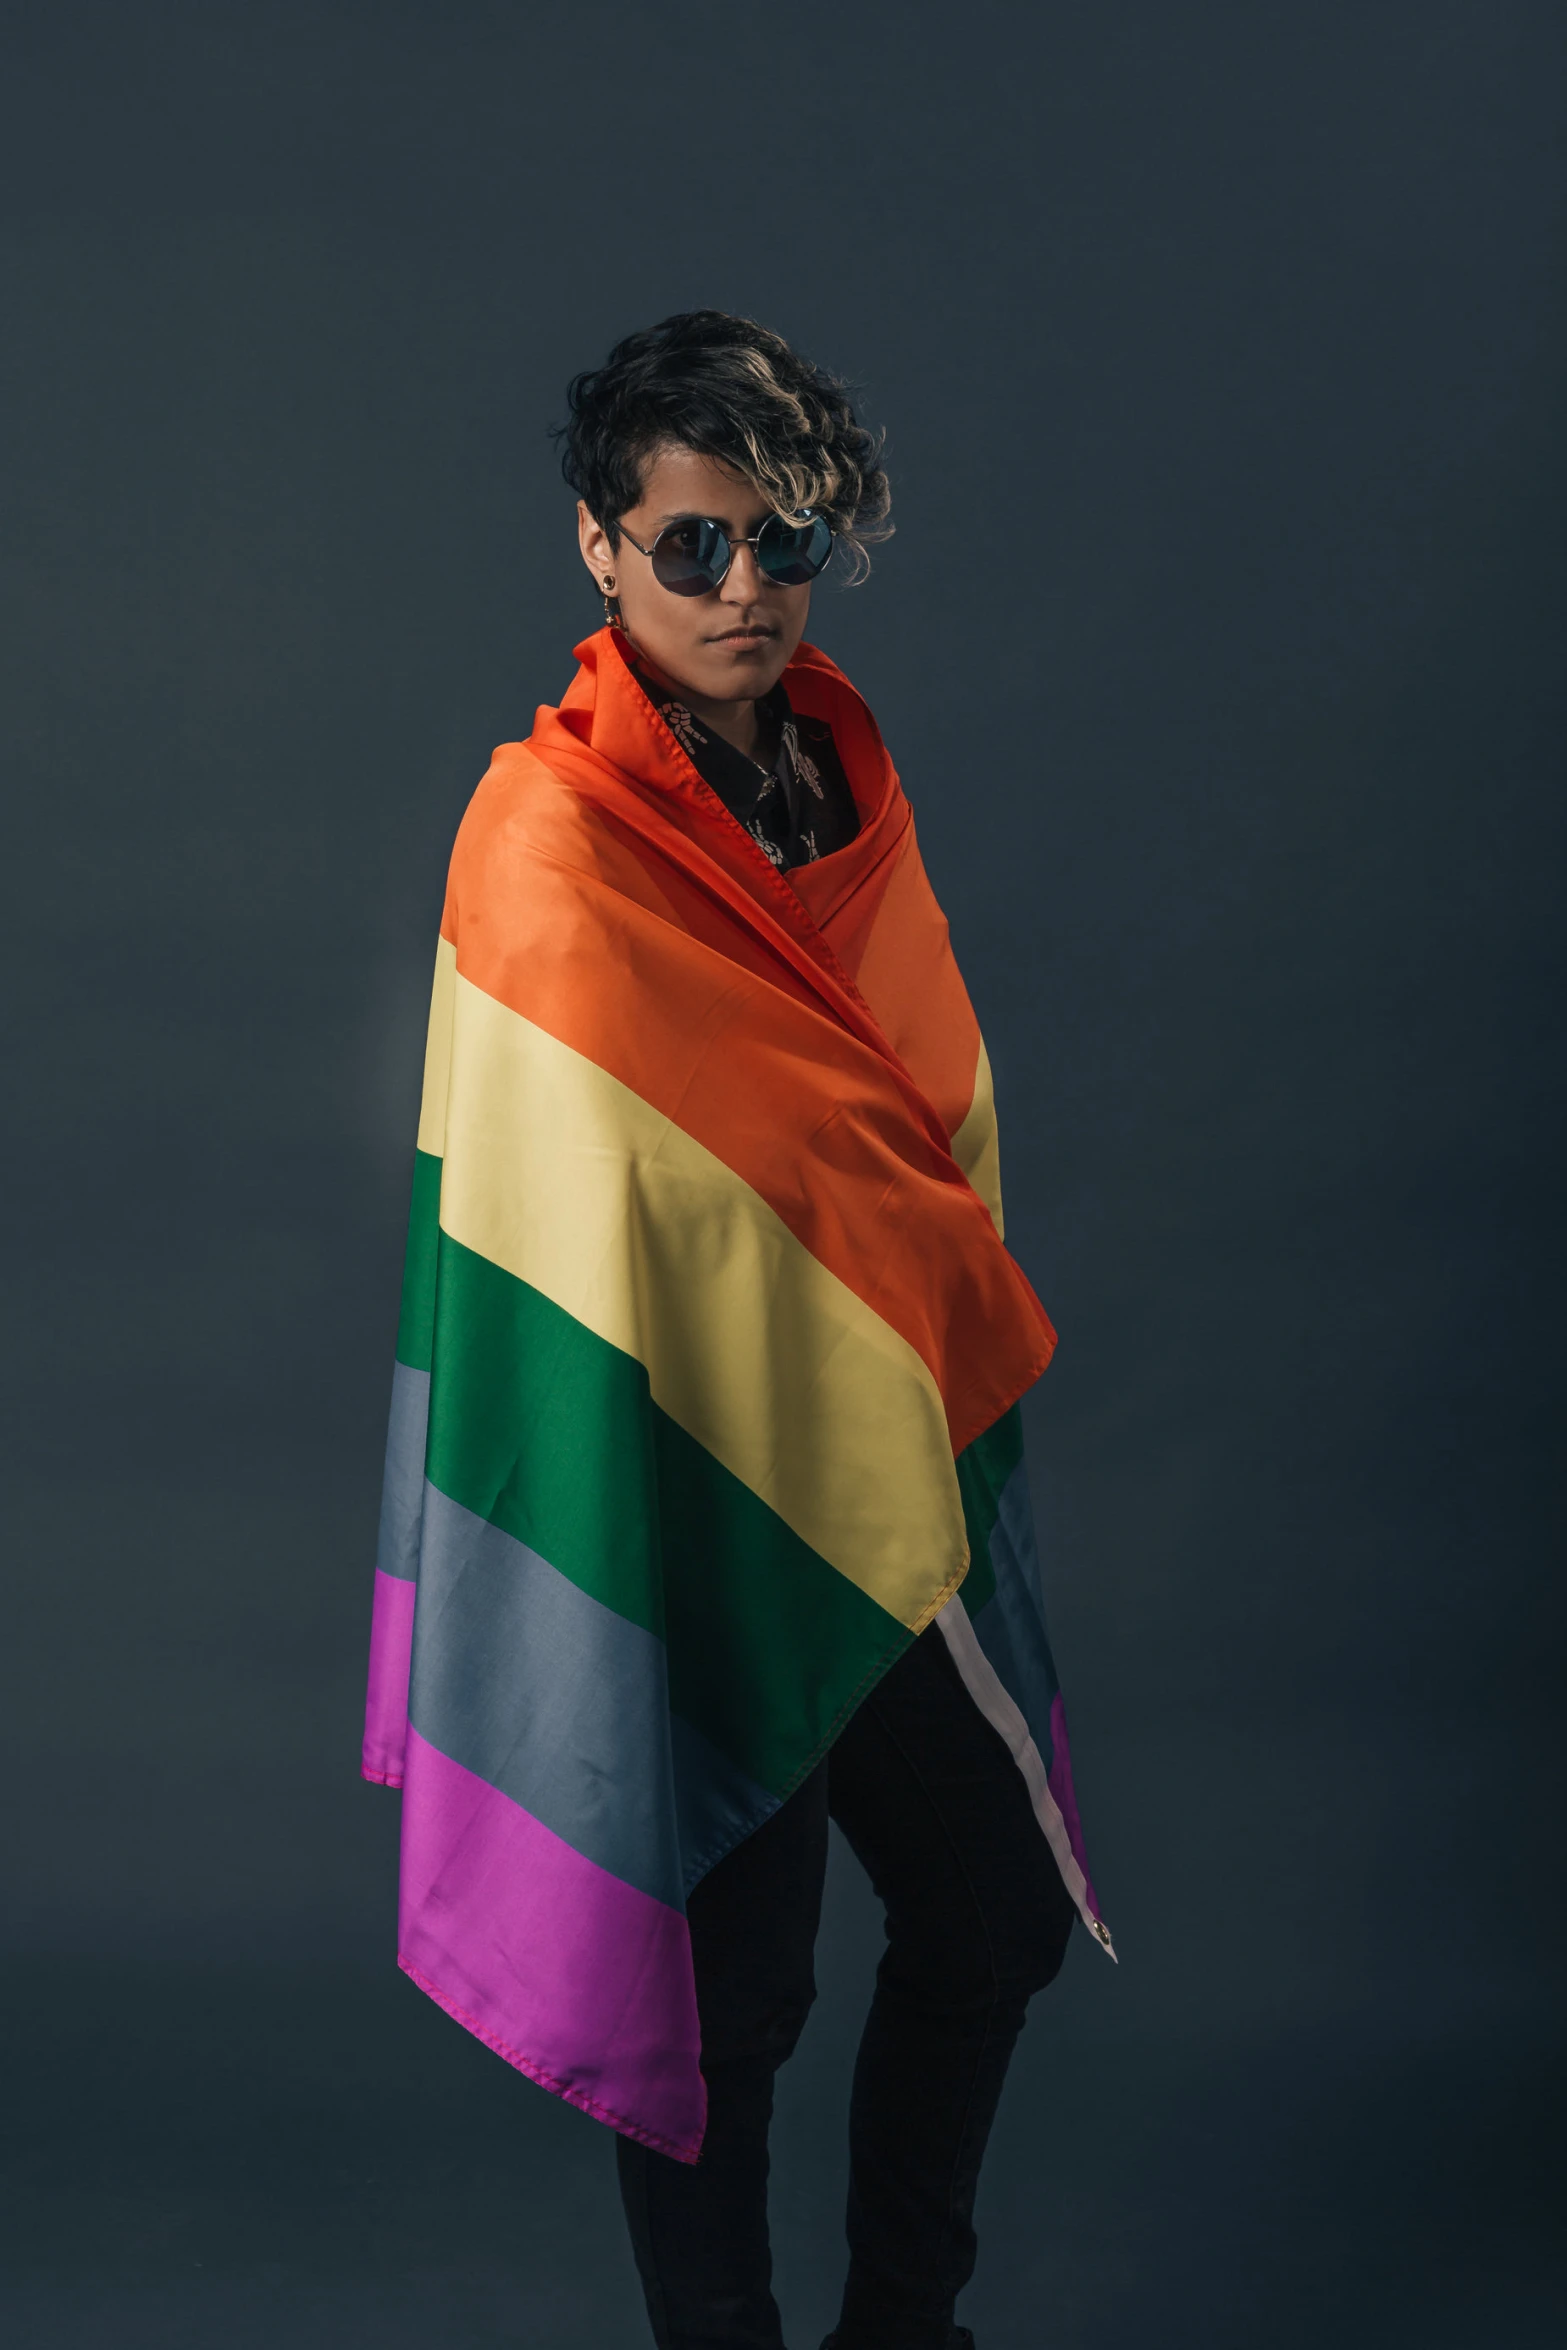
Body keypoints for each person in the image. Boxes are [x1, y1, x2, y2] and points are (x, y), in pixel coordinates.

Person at [362, 310, 1111, 2350]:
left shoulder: (845, 779)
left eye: (780, 547)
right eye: (693, 546)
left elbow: (907, 1135)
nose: (745, 591)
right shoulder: (545, 843)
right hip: (673, 1488)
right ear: (600, 546)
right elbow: (548, 1224)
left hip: (870, 1452)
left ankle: (904, 2323)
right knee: (729, 1982)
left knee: (990, 1909)